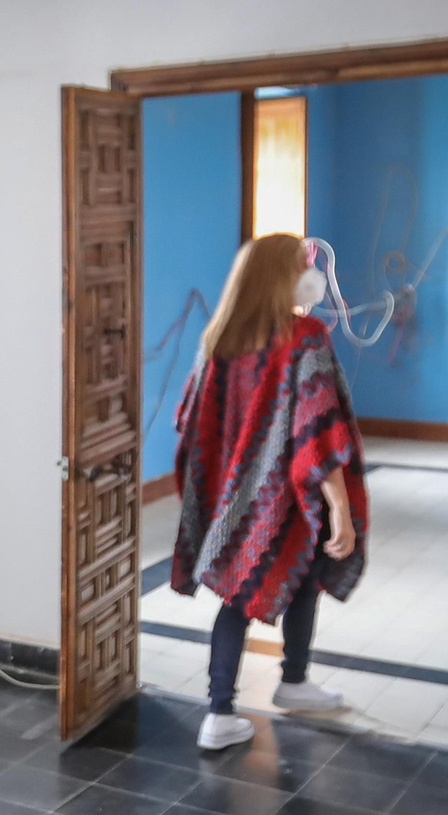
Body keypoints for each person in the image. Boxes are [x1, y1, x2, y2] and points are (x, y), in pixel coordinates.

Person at [171, 233, 369, 751]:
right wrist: (340, 509)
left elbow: (192, 424)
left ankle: (252, 698)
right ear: (283, 277)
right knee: (287, 578)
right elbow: (319, 433)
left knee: (258, 586)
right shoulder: (304, 337)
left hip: (231, 496)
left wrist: (225, 490)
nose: (312, 277)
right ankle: (262, 694)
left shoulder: (218, 339)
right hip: (290, 494)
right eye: (302, 267)